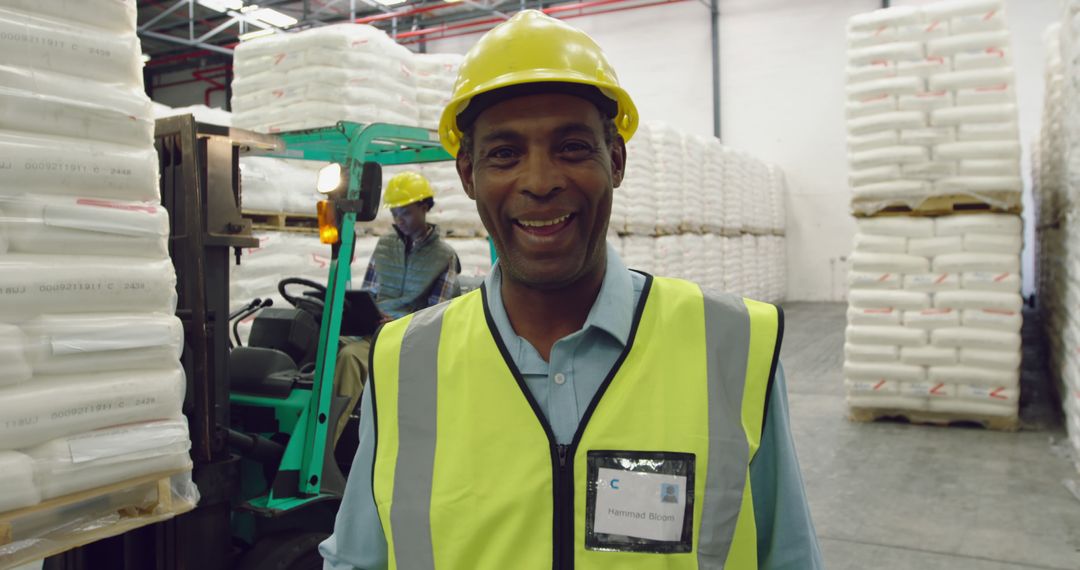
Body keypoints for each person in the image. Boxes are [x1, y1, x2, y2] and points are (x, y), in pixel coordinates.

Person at [321, 10, 822, 569]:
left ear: (617, 160)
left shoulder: (730, 346)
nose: (540, 181)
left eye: (573, 148)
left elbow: (789, 556)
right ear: (467, 175)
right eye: (505, 154)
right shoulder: (403, 363)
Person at [331, 170, 460, 443]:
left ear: (424, 207)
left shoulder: (444, 257)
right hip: (374, 329)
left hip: (407, 338)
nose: (398, 220)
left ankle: (325, 446)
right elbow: (370, 292)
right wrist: (361, 315)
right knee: (323, 345)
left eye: (406, 213)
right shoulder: (385, 245)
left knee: (350, 358)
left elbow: (438, 316)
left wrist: (400, 323)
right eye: (395, 214)